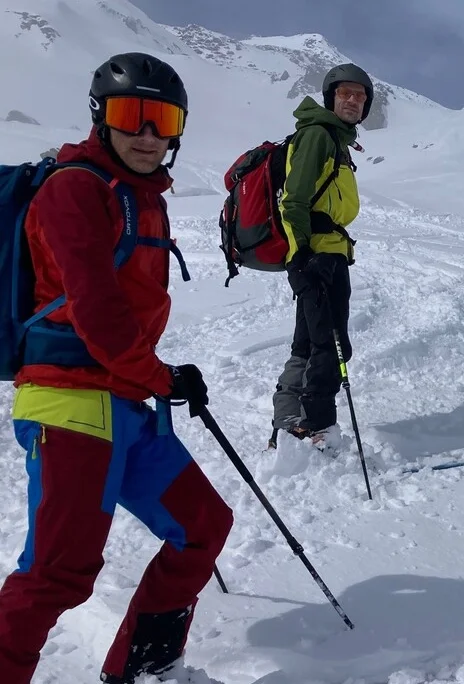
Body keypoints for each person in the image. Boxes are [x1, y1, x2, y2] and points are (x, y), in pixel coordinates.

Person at [0, 53, 233, 684]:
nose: (148, 134)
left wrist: (157, 376)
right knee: (57, 573)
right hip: (70, 403)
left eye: (164, 120)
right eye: (133, 115)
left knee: (202, 526)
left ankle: (143, 668)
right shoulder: (75, 188)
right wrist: (162, 377)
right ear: (102, 117)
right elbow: (97, 316)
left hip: (123, 401)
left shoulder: (141, 196)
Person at [271, 63, 370, 447]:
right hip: (318, 256)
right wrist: (300, 260)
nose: (353, 100)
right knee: (331, 346)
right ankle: (316, 430)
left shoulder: (334, 139)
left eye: (360, 95)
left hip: (326, 254)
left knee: (310, 344)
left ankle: (288, 426)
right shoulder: (318, 135)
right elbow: (293, 200)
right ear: (331, 97)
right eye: (345, 93)